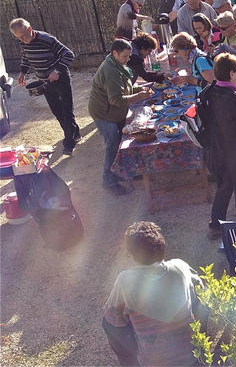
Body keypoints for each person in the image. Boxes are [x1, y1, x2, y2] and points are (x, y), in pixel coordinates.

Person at [103, 221, 204, 367]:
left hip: (153, 362)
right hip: (191, 358)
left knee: (110, 322)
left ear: (131, 255)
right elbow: (202, 293)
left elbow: (112, 319)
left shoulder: (125, 280)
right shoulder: (181, 267)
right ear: (162, 246)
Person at [88, 39, 153, 195]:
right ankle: (108, 180)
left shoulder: (118, 65)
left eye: (129, 56)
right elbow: (116, 99)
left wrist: (144, 88)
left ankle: (121, 172)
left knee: (119, 144)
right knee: (112, 146)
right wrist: (139, 95)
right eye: (124, 56)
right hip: (104, 113)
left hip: (114, 112)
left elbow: (125, 88)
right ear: (114, 53)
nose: (127, 59)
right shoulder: (110, 70)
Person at [11, 18, 80, 156]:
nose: (23, 40)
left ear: (30, 29)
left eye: (24, 36)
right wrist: (23, 73)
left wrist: (56, 71)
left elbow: (68, 54)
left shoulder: (47, 39)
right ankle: (75, 133)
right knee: (57, 111)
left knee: (67, 111)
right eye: (19, 37)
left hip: (60, 79)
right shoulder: (22, 41)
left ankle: (69, 143)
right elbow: (26, 56)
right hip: (44, 81)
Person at [203, 53, 236, 238]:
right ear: (232, 73)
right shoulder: (235, 97)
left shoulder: (209, 91)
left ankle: (215, 225)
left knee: (223, 186)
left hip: (216, 151)